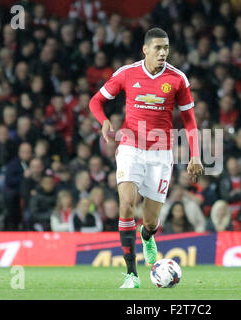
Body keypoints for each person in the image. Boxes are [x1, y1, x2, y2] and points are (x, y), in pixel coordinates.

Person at [89, 27, 203, 288]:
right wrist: (104, 121)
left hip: (161, 153)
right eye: (158, 48)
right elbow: (95, 101)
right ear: (146, 50)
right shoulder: (127, 73)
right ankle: (131, 274)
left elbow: (190, 121)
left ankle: (147, 234)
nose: (163, 53)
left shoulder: (177, 79)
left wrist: (195, 155)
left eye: (166, 48)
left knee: (150, 220)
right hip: (130, 146)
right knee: (127, 204)